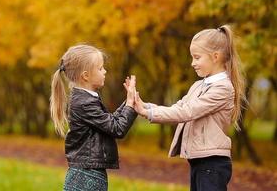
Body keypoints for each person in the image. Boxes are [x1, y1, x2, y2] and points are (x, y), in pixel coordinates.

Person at [134, 25, 245, 191]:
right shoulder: (198, 86)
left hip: (212, 164)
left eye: (197, 57)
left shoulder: (223, 88)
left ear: (215, 56)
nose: (192, 63)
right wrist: (146, 106)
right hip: (199, 161)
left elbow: (187, 112)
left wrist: (149, 113)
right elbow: (179, 107)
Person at [50, 44, 137, 191]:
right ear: (86, 76)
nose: (105, 71)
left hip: (88, 173)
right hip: (86, 177)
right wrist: (129, 104)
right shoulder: (85, 103)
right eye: (100, 68)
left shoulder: (86, 99)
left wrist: (129, 102)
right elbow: (117, 129)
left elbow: (110, 122)